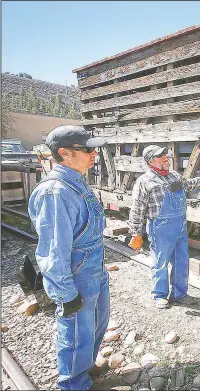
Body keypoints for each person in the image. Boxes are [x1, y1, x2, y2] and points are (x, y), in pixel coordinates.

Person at [28, 125, 109, 390]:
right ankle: (74, 383)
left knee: (96, 324)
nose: (94, 153)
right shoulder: (56, 193)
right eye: (87, 149)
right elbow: (53, 251)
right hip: (76, 275)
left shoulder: (76, 182)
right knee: (75, 332)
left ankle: (85, 368)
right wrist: (65, 294)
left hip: (93, 268)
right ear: (64, 153)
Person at [128, 145, 200, 309]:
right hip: (160, 228)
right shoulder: (145, 182)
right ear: (151, 161)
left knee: (181, 261)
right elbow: (137, 208)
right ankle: (159, 295)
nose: (165, 158)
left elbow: (187, 185)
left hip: (180, 226)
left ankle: (179, 294)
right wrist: (135, 233)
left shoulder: (173, 177)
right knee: (160, 263)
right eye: (160, 156)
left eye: (165, 155)